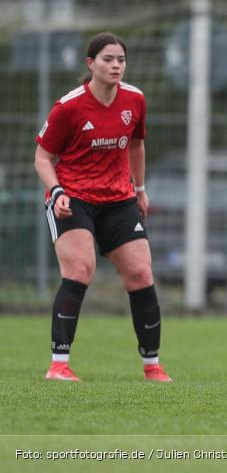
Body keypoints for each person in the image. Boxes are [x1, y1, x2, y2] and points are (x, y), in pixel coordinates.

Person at [35, 32, 171, 383]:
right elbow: (42, 158)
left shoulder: (135, 100)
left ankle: (152, 366)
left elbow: (136, 146)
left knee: (141, 274)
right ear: (90, 63)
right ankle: (58, 365)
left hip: (118, 199)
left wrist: (139, 189)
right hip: (73, 198)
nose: (115, 66)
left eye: (120, 60)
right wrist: (56, 191)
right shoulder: (69, 106)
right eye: (108, 59)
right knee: (80, 268)